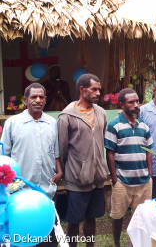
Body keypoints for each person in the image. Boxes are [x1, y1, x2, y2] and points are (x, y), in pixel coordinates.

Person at [1, 82, 63, 247]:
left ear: (45, 99)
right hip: (20, 190)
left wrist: (59, 171)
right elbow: (4, 157)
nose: (38, 100)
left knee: (48, 237)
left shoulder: (52, 123)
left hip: (47, 189)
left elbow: (55, 152)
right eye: (33, 97)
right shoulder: (13, 123)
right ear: (25, 100)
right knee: (22, 234)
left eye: (41, 97)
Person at [57, 73, 107, 247]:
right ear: (82, 89)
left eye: (99, 90)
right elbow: (62, 148)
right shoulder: (67, 116)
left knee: (91, 217)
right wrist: (65, 171)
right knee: (74, 220)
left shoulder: (101, 112)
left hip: (97, 177)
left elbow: (101, 139)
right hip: (77, 178)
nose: (98, 93)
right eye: (94, 89)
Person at [105, 88, 153, 247]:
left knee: (142, 217)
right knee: (117, 216)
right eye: (131, 102)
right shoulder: (114, 125)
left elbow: (149, 152)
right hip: (122, 180)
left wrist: (150, 176)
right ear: (121, 104)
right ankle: (117, 243)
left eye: (137, 101)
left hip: (143, 180)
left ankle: (136, 243)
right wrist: (114, 178)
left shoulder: (144, 125)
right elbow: (110, 153)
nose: (136, 105)